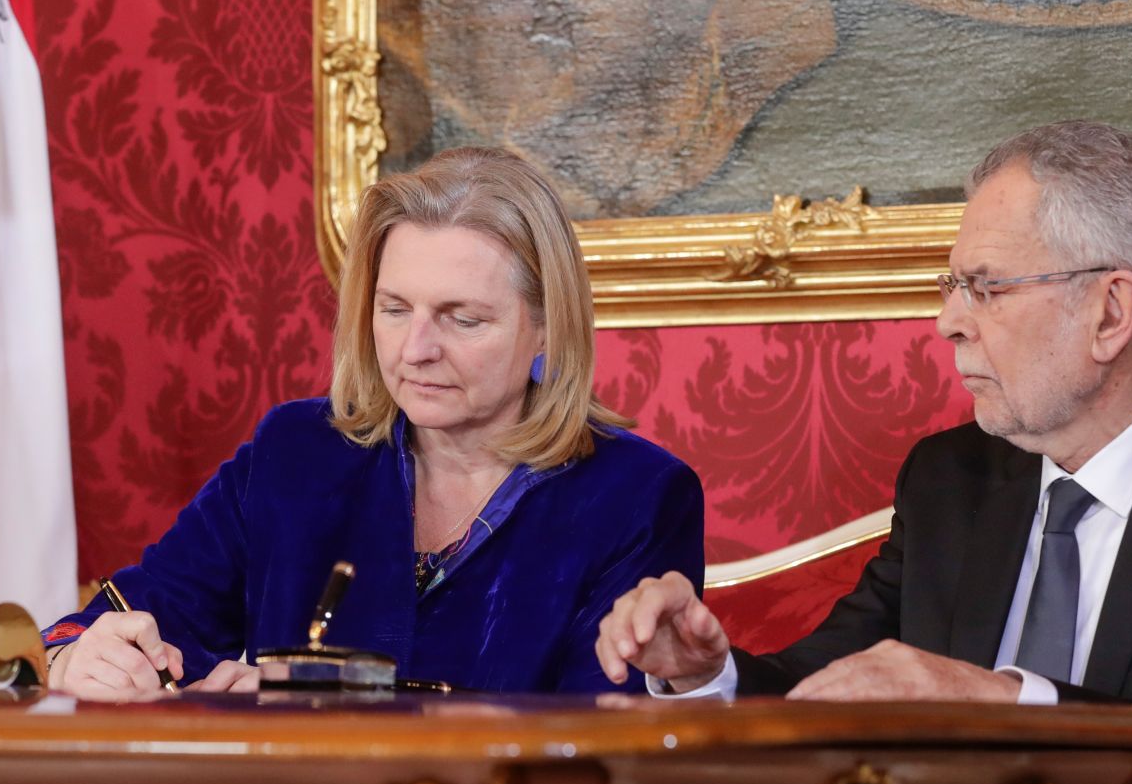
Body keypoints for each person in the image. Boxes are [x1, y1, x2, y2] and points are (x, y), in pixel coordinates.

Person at [596, 121, 1132, 784]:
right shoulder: (952, 479)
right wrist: (706, 675)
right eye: (951, 286)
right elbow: (826, 687)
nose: (945, 323)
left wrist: (1005, 703)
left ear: (1110, 312)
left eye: (985, 289)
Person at [44, 146, 704, 699]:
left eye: (462, 318)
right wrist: (83, 659)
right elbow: (123, 622)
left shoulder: (636, 496)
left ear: (546, 330)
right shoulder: (297, 454)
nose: (415, 349)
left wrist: (282, 715)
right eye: (393, 309)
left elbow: (598, 741)